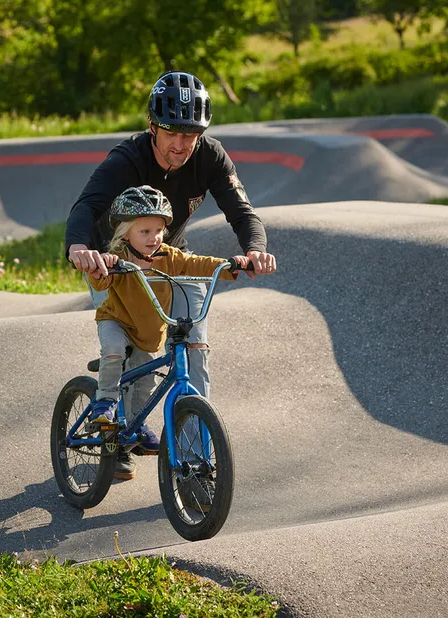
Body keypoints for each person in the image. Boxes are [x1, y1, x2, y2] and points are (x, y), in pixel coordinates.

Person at [65, 70, 277, 479]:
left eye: (190, 134)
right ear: (152, 128)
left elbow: (242, 212)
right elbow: (86, 206)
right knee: (130, 345)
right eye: (170, 133)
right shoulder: (127, 159)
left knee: (195, 347)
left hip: (169, 261)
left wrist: (255, 251)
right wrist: (79, 248)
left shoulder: (210, 156)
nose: (180, 145)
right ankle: (120, 437)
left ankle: (195, 463)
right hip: (112, 263)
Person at [86, 185, 252, 481]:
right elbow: (99, 282)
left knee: (147, 381)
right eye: (145, 232)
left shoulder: (168, 256)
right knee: (113, 351)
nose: (154, 238)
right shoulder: (116, 258)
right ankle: (105, 401)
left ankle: (135, 425)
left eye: (159, 230)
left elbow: (196, 264)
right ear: (126, 234)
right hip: (117, 323)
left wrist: (231, 265)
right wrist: (101, 268)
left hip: (148, 332)